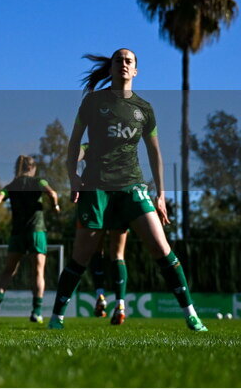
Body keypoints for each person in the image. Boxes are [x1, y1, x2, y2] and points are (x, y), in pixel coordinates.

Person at [48, 49, 207, 332]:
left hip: (133, 186)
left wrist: (160, 194)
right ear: (110, 68)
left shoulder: (144, 109)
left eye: (128, 61)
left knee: (161, 248)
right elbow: (74, 144)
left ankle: (191, 314)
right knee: (82, 256)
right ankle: (56, 318)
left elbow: (155, 152)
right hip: (96, 187)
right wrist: (73, 177)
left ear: (135, 71)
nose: (123, 64)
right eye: (118, 60)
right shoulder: (94, 101)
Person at [0, 155, 60, 324]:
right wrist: (55, 206)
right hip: (36, 231)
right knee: (38, 271)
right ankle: (37, 311)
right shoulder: (39, 181)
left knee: (8, 270)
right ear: (32, 168)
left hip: (17, 233)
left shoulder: (12, 185)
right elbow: (52, 193)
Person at [79, 143, 130, 324]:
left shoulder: (89, 145)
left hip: (96, 197)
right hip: (120, 196)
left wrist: (73, 175)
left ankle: (100, 294)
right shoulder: (123, 145)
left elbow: (74, 155)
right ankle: (120, 304)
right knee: (118, 254)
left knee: (96, 251)